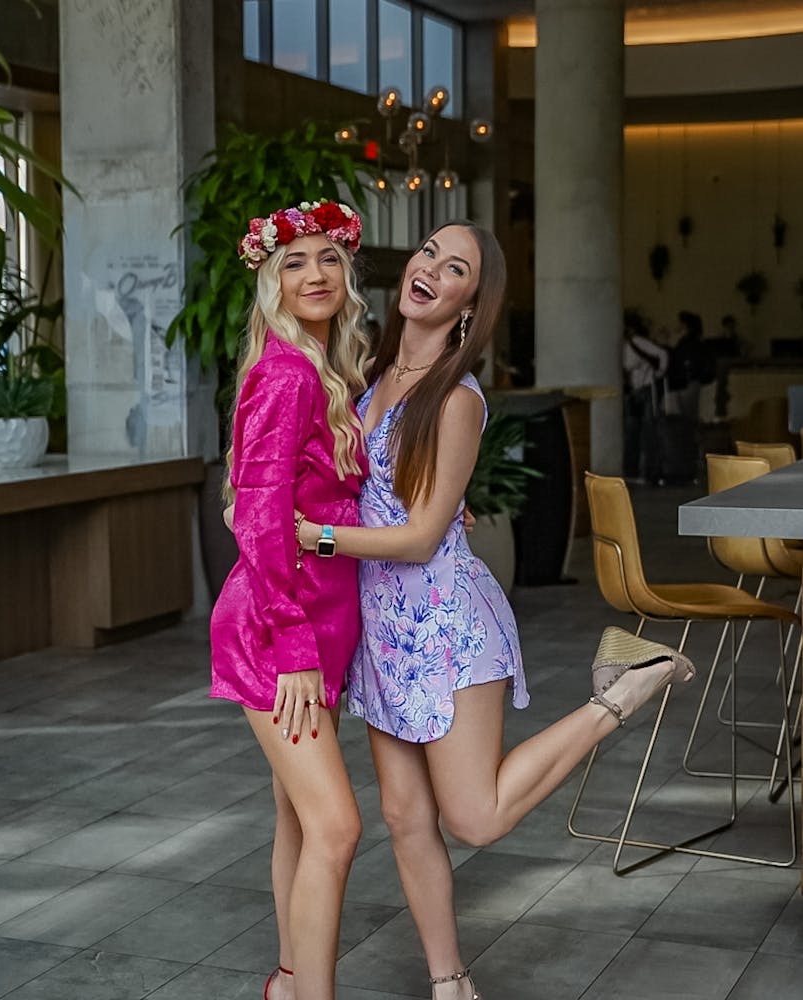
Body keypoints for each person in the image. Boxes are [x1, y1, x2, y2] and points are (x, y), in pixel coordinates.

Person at [295, 222, 696, 1000]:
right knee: (407, 819)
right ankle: (450, 983)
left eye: (455, 270)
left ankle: (625, 687)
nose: (430, 271)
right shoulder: (369, 375)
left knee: (473, 818)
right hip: (382, 632)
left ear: (467, 308)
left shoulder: (457, 398)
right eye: (427, 254)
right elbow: (387, 492)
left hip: (445, 623)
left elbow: (414, 540)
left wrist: (317, 538)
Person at [210, 199, 369, 1000]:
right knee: (338, 827)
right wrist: (296, 648)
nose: (315, 274)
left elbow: (326, 501)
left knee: (302, 822)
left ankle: (285, 982)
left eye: (328, 259)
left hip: (319, 626)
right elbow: (264, 516)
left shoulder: (325, 369)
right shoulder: (283, 373)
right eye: (295, 262)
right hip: (281, 631)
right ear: (272, 279)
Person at [622, 310, 669, 482]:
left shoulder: (635, 342)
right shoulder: (629, 343)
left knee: (645, 430)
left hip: (644, 389)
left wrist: (659, 373)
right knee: (637, 431)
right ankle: (638, 471)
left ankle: (646, 471)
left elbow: (662, 354)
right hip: (638, 390)